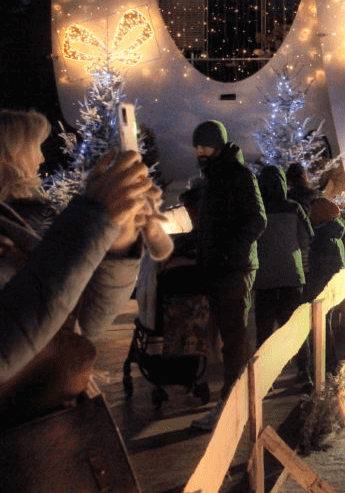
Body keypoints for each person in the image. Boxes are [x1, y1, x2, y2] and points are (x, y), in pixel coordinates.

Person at [0, 109, 165, 426]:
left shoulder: (30, 223)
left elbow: (85, 324)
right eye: (32, 146)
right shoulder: (35, 227)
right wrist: (94, 218)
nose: (39, 158)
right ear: (9, 155)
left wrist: (118, 246)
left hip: (51, 426)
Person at [189, 120, 266, 431]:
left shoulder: (238, 175)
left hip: (234, 268)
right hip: (219, 268)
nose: (199, 152)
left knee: (234, 337)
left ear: (218, 146)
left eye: (205, 146)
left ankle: (232, 403)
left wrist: (227, 252)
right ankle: (236, 398)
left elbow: (257, 220)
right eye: (197, 146)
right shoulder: (213, 179)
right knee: (226, 336)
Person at [253, 164, 312, 386]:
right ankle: (303, 372)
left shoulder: (256, 211)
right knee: (294, 328)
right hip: (291, 277)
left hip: (264, 279)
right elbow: (307, 238)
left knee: (264, 332)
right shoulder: (294, 208)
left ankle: (261, 377)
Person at [304, 196, 345, 372]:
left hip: (322, 287)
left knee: (321, 324)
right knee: (325, 323)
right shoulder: (332, 233)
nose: (310, 215)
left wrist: (311, 290)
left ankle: (326, 365)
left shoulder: (323, 238)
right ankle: (328, 363)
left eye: (313, 211)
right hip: (330, 287)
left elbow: (322, 267)